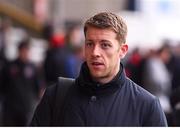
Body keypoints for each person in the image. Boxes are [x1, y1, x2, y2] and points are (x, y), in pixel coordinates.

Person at [30, 12, 167, 126]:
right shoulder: (56, 96)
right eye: (90, 44)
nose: (95, 52)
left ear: (123, 50)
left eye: (105, 45)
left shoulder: (147, 106)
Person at [2, 39, 41, 126]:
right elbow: (2, 85)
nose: (26, 53)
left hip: (26, 107)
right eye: (23, 50)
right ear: (19, 51)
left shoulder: (33, 68)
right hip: (10, 107)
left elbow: (38, 87)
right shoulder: (10, 66)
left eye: (27, 50)